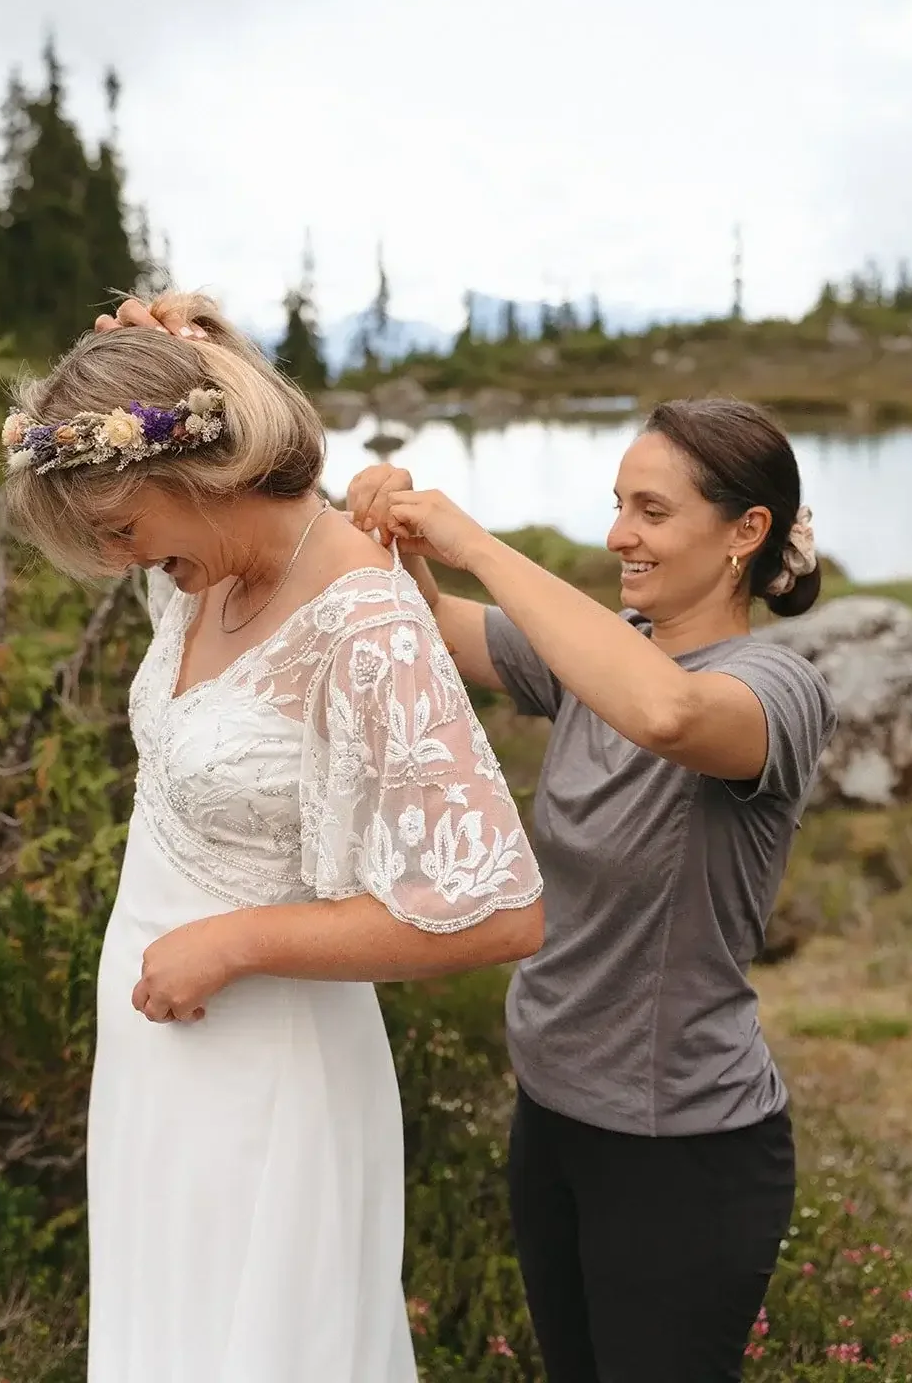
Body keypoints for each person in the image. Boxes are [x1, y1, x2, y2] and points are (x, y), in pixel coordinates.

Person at [0, 293, 544, 1383]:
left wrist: (236, 942)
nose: (119, 559)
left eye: (122, 528)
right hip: (159, 1069)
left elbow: (497, 909)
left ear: (193, 472)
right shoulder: (203, 569)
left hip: (269, 1073)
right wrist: (178, 337)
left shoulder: (365, 617)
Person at [346, 398, 837, 1383]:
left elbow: (664, 711)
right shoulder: (597, 647)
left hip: (680, 1150)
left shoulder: (773, 687)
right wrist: (392, 527)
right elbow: (433, 626)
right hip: (552, 1119)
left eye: (650, 512)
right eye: (616, 504)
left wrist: (475, 541)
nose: (618, 534)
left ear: (744, 532)